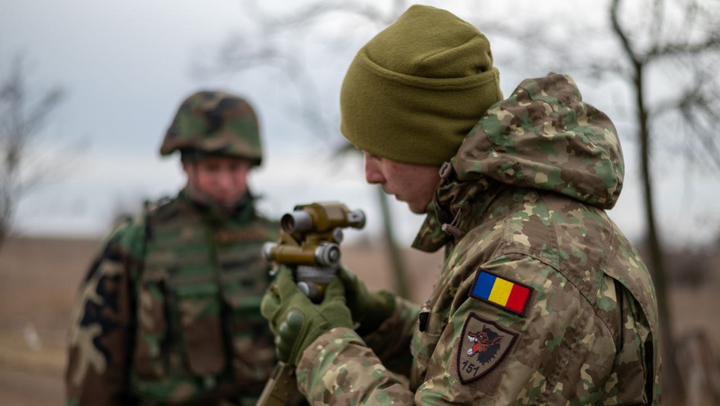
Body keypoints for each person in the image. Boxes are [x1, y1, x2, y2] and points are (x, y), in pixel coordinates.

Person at [260, 5, 662, 406]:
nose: (370, 174)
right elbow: (468, 360)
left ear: (428, 140)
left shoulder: (529, 264)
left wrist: (321, 347)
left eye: (378, 153)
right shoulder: (506, 225)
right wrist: (376, 319)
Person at [66, 91, 278, 406]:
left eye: (234, 168)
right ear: (186, 166)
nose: (224, 181)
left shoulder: (276, 242)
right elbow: (96, 360)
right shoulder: (139, 241)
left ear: (251, 166)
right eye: (211, 168)